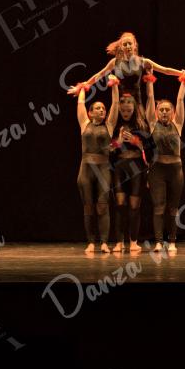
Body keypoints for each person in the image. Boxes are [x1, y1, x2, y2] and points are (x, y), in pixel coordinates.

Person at [71, 32, 185, 111]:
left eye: (129, 44)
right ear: (121, 47)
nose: (128, 46)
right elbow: (99, 75)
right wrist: (84, 85)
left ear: (134, 45)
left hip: (137, 102)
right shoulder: (115, 62)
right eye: (125, 44)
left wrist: (184, 74)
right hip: (121, 102)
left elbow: (165, 70)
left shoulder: (143, 61)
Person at [144, 68, 185, 253]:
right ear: (157, 112)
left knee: (173, 208)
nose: (164, 112)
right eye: (161, 110)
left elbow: (180, 100)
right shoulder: (152, 123)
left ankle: (172, 241)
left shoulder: (177, 124)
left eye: (167, 110)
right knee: (159, 207)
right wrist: (149, 79)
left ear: (173, 112)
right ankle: (159, 242)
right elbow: (150, 98)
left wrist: (184, 81)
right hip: (157, 170)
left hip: (175, 170)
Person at [68, 78, 119, 253]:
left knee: (103, 206)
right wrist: (83, 88)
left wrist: (114, 86)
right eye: (98, 108)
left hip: (103, 169)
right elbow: (81, 103)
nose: (102, 110)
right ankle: (91, 242)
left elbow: (115, 104)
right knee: (88, 207)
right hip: (86, 169)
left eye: (103, 108)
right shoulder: (84, 123)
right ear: (90, 113)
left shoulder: (109, 125)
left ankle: (104, 242)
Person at [110, 90, 151, 253]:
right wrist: (118, 142)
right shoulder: (114, 125)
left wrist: (137, 142)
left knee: (134, 206)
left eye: (128, 110)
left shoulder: (141, 125)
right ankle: (119, 242)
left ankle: (133, 241)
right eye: (123, 110)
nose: (126, 113)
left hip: (137, 168)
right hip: (120, 167)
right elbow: (108, 149)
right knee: (120, 204)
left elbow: (151, 149)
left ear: (134, 109)